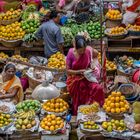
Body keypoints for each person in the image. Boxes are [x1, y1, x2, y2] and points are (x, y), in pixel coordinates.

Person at [66, 35, 105, 115]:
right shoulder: (70, 53)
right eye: (80, 51)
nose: (82, 52)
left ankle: (95, 109)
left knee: (98, 88)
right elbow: (67, 71)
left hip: (87, 77)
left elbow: (94, 58)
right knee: (81, 90)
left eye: (84, 50)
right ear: (75, 48)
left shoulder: (88, 50)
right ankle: (80, 112)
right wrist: (79, 71)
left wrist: (93, 65)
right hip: (74, 79)